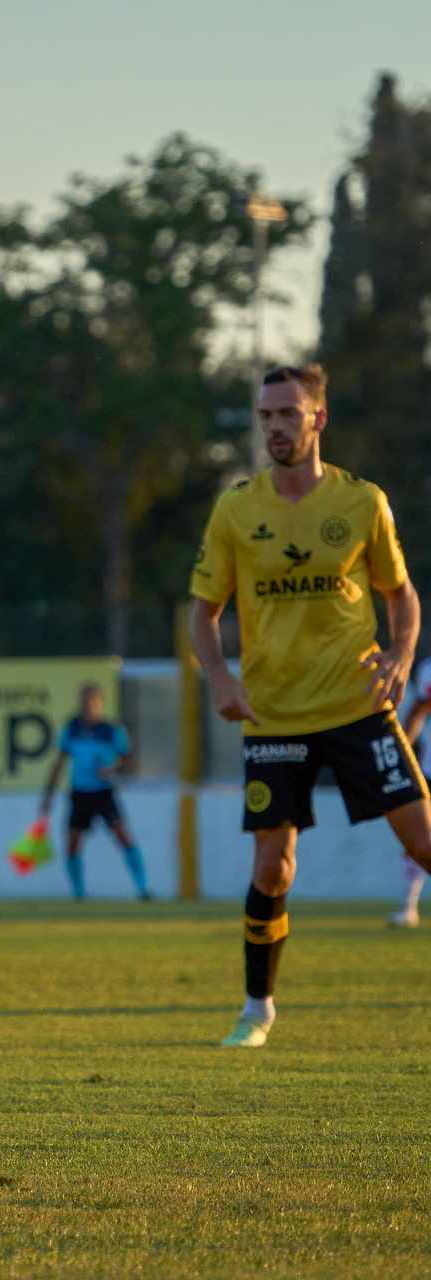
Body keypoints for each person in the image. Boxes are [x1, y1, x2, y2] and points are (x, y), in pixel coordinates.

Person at [189, 364, 430, 1048]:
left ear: (318, 419)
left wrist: (401, 653)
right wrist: (218, 676)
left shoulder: (362, 502)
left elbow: (401, 594)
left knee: (423, 841)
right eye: (266, 415)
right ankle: (256, 1009)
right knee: (273, 867)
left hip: (358, 705)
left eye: (288, 414)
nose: (274, 427)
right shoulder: (237, 508)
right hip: (274, 717)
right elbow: (202, 613)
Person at [39, 682, 150, 900]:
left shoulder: (111, 730)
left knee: (123, 837)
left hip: (103, 792)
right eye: (83, 699)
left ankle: (142, 888)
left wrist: (114, 769)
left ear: (100, 702)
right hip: (80, 793)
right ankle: (78, 892)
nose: (87, 704)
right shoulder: (71, 728)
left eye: (91, 700)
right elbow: (59, 762)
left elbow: (128, 761)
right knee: (72, 843)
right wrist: (48, 794)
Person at [386, 656, 431, 926]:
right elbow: (418, 711)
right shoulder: (428, 669)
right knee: (420, 839)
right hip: (428, 771)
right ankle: (408, 905)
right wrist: (402, 755)